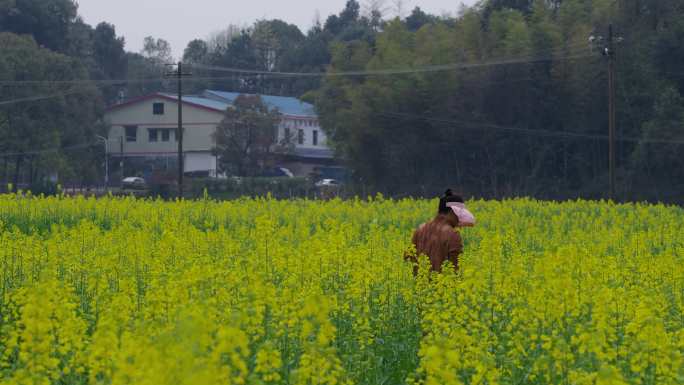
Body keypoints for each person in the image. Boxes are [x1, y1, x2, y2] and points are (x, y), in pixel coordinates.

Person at [404, 189, 468, 275]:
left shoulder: (419, 230)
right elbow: (456, 270)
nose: (460, 218)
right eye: (460, 213)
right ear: (453, 211)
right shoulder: (453, 234)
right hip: (444, 287)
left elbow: (408, 259)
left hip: (419, 286)